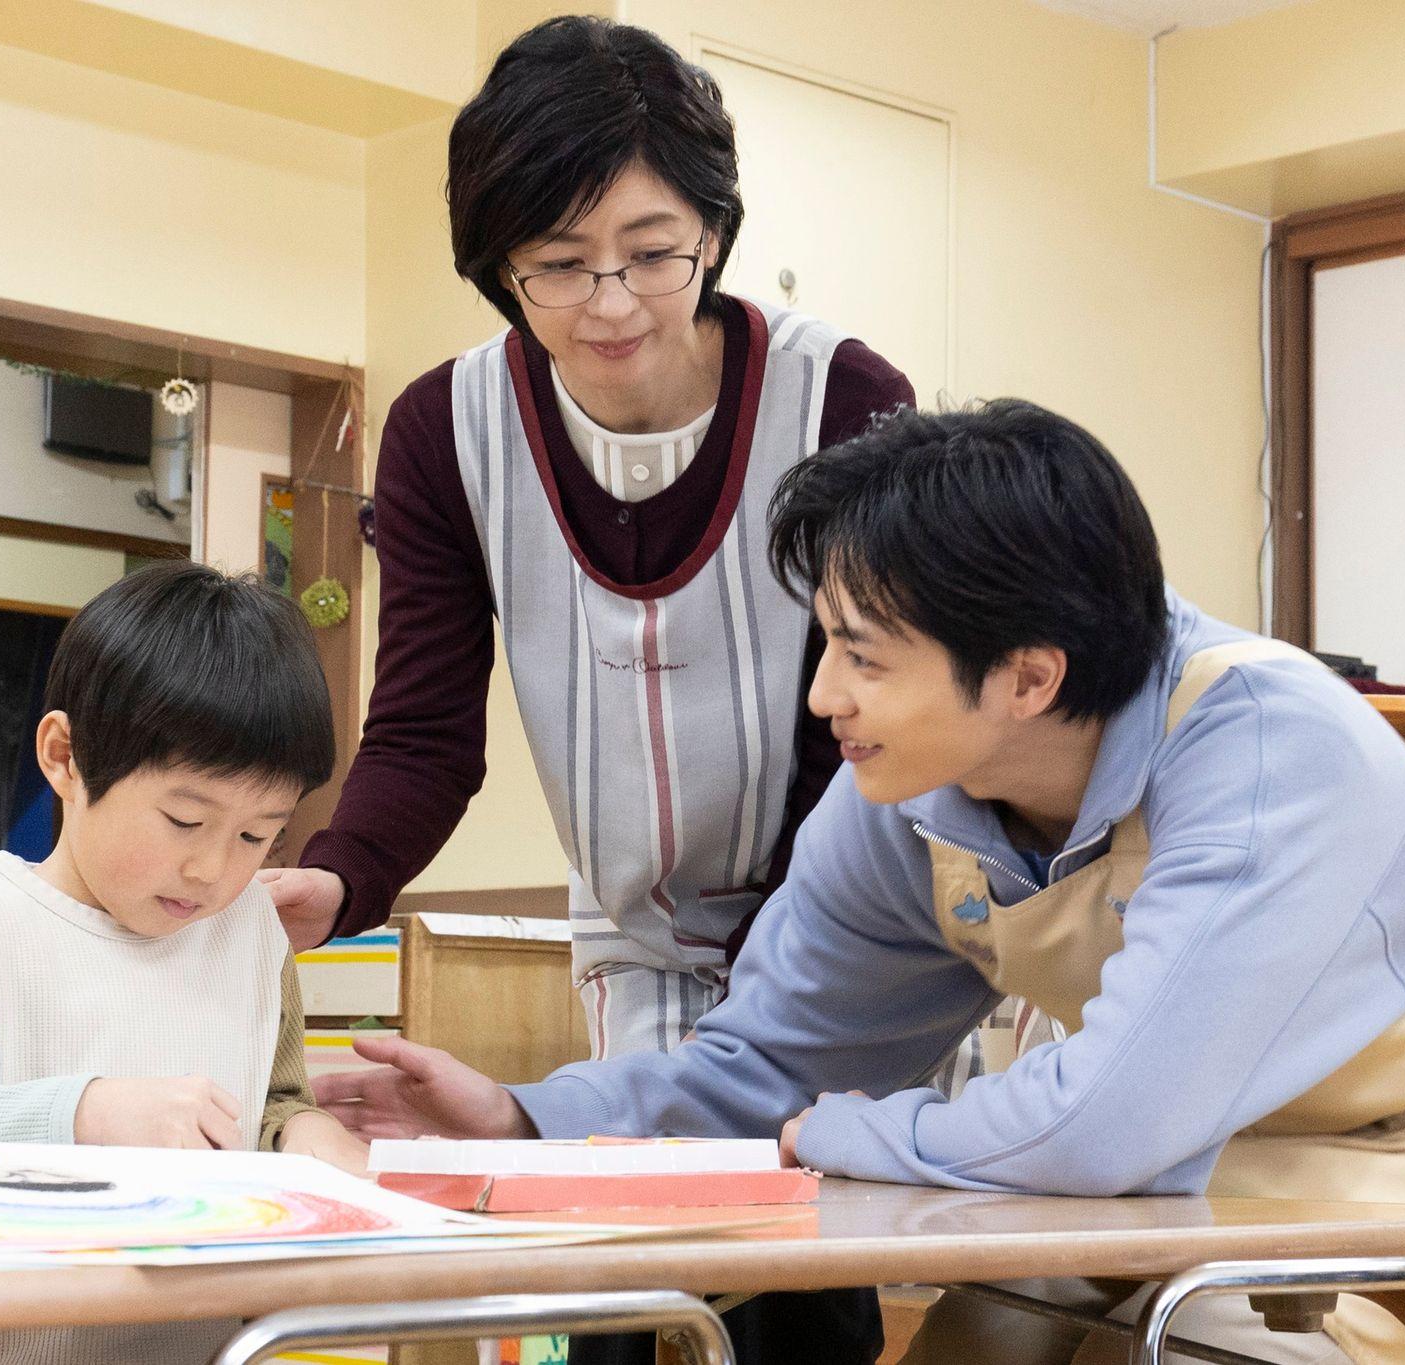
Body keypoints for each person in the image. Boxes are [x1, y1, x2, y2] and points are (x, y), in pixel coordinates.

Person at [321, 401, 1405, 1364]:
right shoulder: (900, 797)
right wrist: (517, 1117)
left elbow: (1103, 1126)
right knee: (986, 1338)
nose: (825, 696)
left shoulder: (1266, 749)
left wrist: (850, 1135)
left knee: (1234, 1350)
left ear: (1027, 676)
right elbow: (763, 1071)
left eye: (863, 655)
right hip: (1204, 1161)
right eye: (824, 644)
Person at [259, 16, 917, 1363]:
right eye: (558, 266)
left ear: (715, 233)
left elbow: (879, 721)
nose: (610, 303)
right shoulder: (448, 430)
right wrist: (336, 881)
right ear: (498, 266)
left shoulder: (843, 398)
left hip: (840, 924)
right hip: (633, 945)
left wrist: (799, 963)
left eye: (651, 252)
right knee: (613, 1298)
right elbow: (427, 730)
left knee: (804, 1294)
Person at [0, 561, 365, 1365]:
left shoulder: (251, 932)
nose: (215, 869)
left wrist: (312, 1139)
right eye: (186, 819)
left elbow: (273, 1105)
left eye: (259, 834)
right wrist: (87, 1114)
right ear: (64, 756)